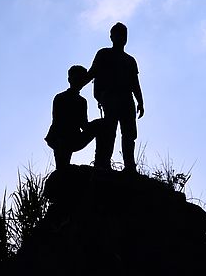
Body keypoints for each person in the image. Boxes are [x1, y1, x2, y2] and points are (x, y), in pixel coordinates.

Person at [85, 22, 144, 173]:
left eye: (124, 34)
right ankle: (104, 162)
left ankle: (130, 166)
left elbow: (134, 83)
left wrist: (140, 102)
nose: (122, 37)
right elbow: (92, 73)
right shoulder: (104, 54)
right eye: (118, 34)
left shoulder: (130, 60)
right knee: (109, 131)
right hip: (110, 97)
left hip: (127, 99)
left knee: (129, 134)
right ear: (111, 37)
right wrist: (77, 85)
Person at [44, 64, 106, 170]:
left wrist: (98, 124)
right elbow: (57, 122)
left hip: (74, 138)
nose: (79, 81)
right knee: (62, 168)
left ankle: (101, 162)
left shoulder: (82, 101)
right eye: (77, 78)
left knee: (101, 124)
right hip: (60, 139)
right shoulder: (60, 98)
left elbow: (84, 124)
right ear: (70, 79)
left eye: (81, 78)